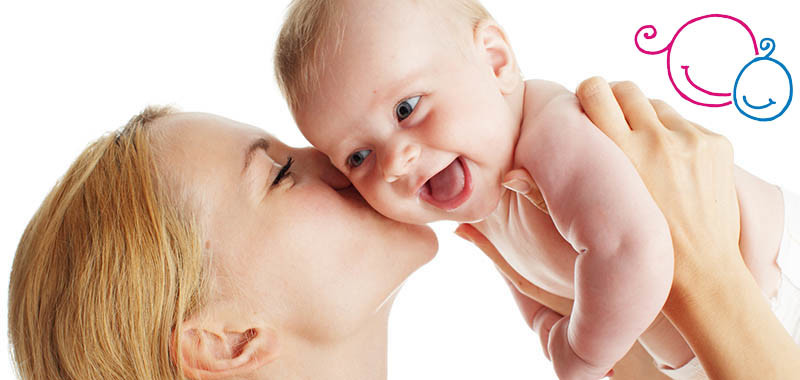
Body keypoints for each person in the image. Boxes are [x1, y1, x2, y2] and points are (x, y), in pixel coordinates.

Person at [273, 0, 799, 378]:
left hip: (771, 296)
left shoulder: (551, 131)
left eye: (407, 108)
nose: (395, 161)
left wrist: (583, 356)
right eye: (358, 156)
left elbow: (632, 251)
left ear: (496, 61)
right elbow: (535, 284)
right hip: (713, 349)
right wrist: (550, 330)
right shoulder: (483, 200)